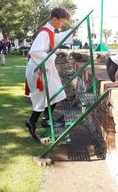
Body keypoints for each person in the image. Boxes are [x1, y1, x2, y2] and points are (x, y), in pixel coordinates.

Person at [25, 8, 73, 141]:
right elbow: (35, 52)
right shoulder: (44, 34)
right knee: (41, 98)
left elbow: (58, 38)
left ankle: (46, 120)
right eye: (62, 21)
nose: (62, 24)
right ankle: (32, 122)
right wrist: (52, 57)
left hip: (43, 67)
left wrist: (72, 32)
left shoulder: (49, 32)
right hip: (38, 69)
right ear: (54, 20)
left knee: (56, 92)